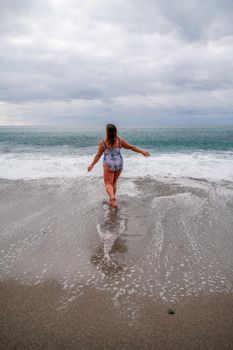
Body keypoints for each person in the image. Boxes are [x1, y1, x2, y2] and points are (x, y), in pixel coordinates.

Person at [87, 124, 151, 208]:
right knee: (114, 182)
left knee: (108, 184)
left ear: (107, 132)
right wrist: (142, 152)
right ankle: (112, 199)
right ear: (115, 131)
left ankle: (112, 197)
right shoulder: (119, 140)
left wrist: (92, 164)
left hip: (109, 164)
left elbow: (98, 155)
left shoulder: (103, 143)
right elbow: (131, 147)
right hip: (119, 163)